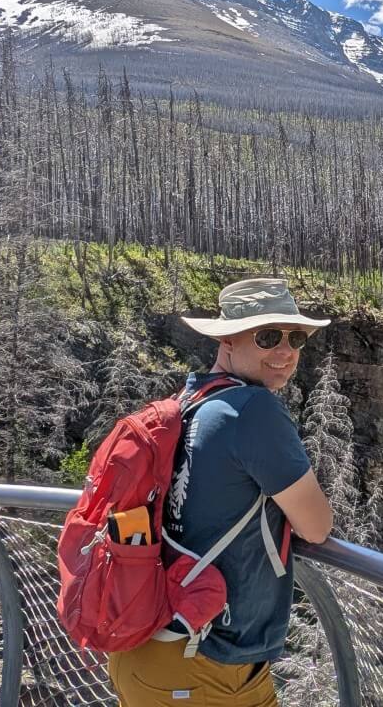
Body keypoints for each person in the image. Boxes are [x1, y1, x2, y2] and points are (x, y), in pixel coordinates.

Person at [107, 278, 334, 707]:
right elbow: (317, 526)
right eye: (268, 336)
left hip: (149, 648)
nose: (285, 352)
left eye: (296, 338)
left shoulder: (193, 400)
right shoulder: (252, 410)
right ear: (227, 338)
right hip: (202, 665)